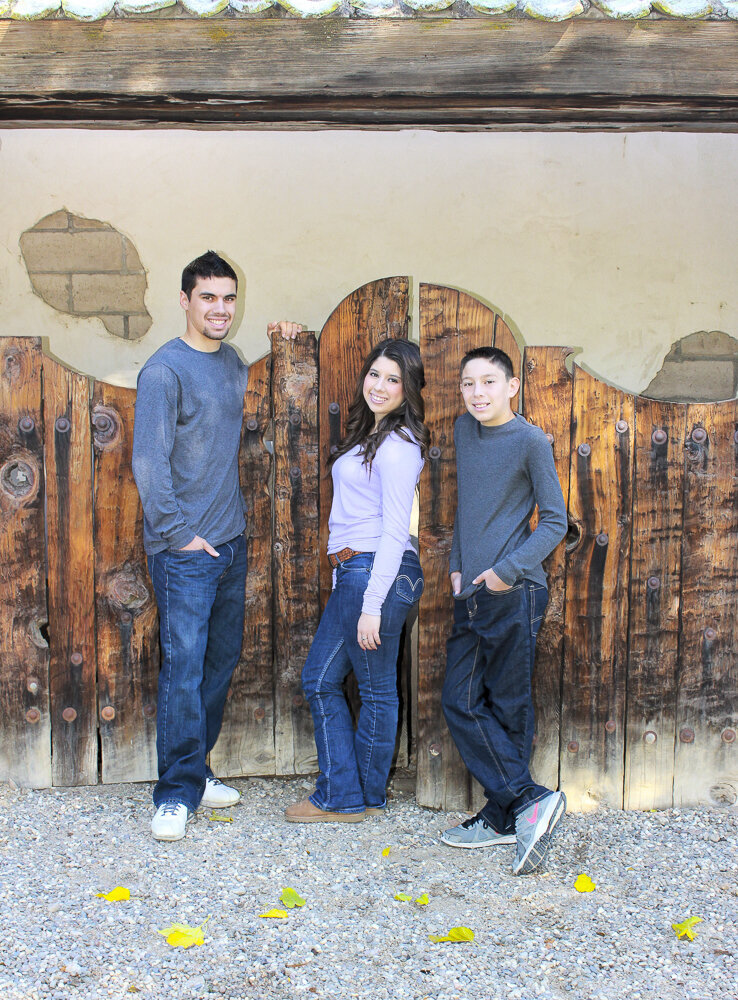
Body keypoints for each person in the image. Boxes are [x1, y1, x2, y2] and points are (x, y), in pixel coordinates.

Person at [132, 250, 302, 842]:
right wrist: (181, 536)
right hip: (185, 551)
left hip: (230, 543)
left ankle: (197, 771)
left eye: (229, 298)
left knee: (217, 665)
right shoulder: (163, 371)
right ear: (184, 301)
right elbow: (149, 464)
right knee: (183, 669)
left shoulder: (231, 362)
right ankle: (175, 794)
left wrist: (283, 340)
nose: (220, 308)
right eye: (208, 297)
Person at [285, 338, 428, 823]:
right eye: (375, 374)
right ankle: (362, 795)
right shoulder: (374, 436)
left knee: (363, 688)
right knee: (332, 681)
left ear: (408, 390)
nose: (381, 386)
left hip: (374, 572)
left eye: (394, 379)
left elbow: (394, 529)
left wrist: (371, 602)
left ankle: (341, 796)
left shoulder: (398, 445)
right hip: (359, 570)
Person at [440, 346, 568, 875]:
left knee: (510, 706)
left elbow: (556, 522)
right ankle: (523, 803)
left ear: (512, 387)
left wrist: (503, 572)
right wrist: (455, 563)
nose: (477, 393)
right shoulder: (462, 432)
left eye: (489, 382)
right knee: (460, 699)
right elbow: (464, 506)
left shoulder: (531, 441)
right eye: (468, 384)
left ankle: (503, 816)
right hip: (468, 590)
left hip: (513, 593)